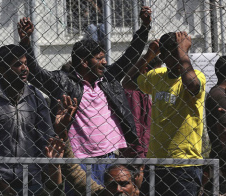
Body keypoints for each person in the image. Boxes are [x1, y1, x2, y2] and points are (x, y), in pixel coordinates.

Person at [17, 7, 151, 185]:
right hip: (79, 160)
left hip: (110, 157)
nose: (105, 62)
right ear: (84, 62)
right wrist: (25, 41)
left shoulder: (108, 79)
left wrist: (144, 27)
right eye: (99, 58)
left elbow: (130, 56)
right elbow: (35, 73)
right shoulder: (63, 82)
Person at [123, 32, 207, 196]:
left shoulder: (196, 77)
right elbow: (127, 82)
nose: (173, 58)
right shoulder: (157, 76)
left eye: (177, 53)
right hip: (157, 164)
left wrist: (182, 52)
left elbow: (193, 85)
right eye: (169, 53)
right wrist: (148, 56)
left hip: (184, 165)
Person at [0, 44, 55, 196]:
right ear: (2, 70)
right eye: (18, 64)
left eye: (26, 63)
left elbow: (46, 138)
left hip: (33, 181)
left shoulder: (36, 98)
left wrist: (45, 174)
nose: (24, 69)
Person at [121, 56, 162, 158]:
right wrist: (138, 156)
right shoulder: (133, 93)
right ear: (145, 71)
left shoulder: (144, 91)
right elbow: (134, 125)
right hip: (139, 154)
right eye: (156, 73)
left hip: (147, 151)